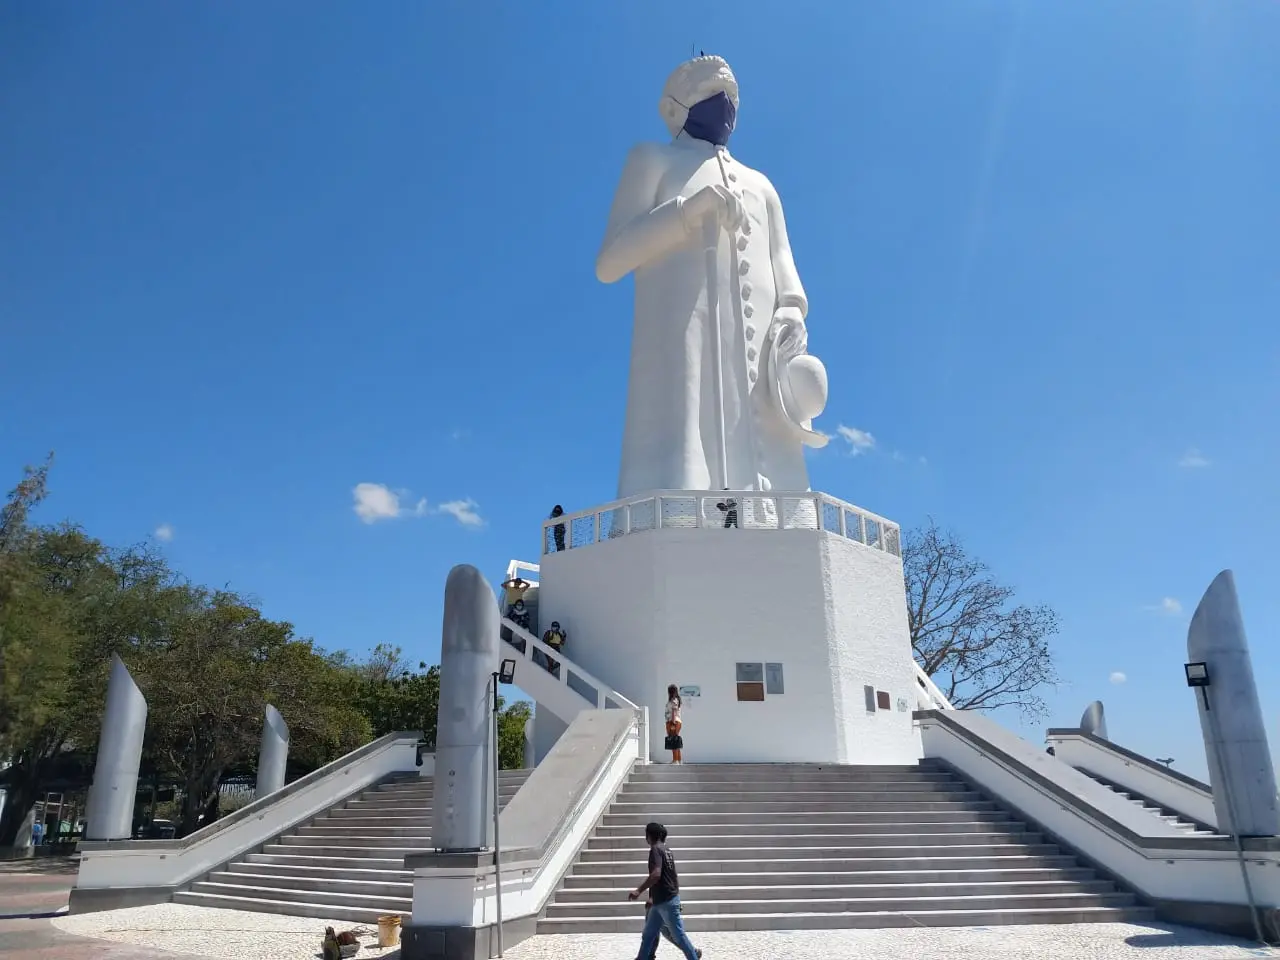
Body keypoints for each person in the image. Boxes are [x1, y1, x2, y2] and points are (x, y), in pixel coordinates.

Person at [628, 822, 700, 960]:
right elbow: (673, 875)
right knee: (649, 934)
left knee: (679, 935)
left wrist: (638, 891)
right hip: (660, 901)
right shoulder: (667, 849)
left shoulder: (655, 849)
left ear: (650, 835)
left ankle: (693, 957)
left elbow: (656, 874)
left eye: (646, 834)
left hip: (666, 901)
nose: (645, 838)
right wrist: (655, 897)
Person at [664, 684, 684, 764]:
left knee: (673, 740)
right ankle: (678, 759)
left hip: (673, 721)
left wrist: (672, 722)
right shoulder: (676, 699)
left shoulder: (673, 700)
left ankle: (675, 760)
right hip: (676, 721)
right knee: (675, 740)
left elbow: (673, 711)